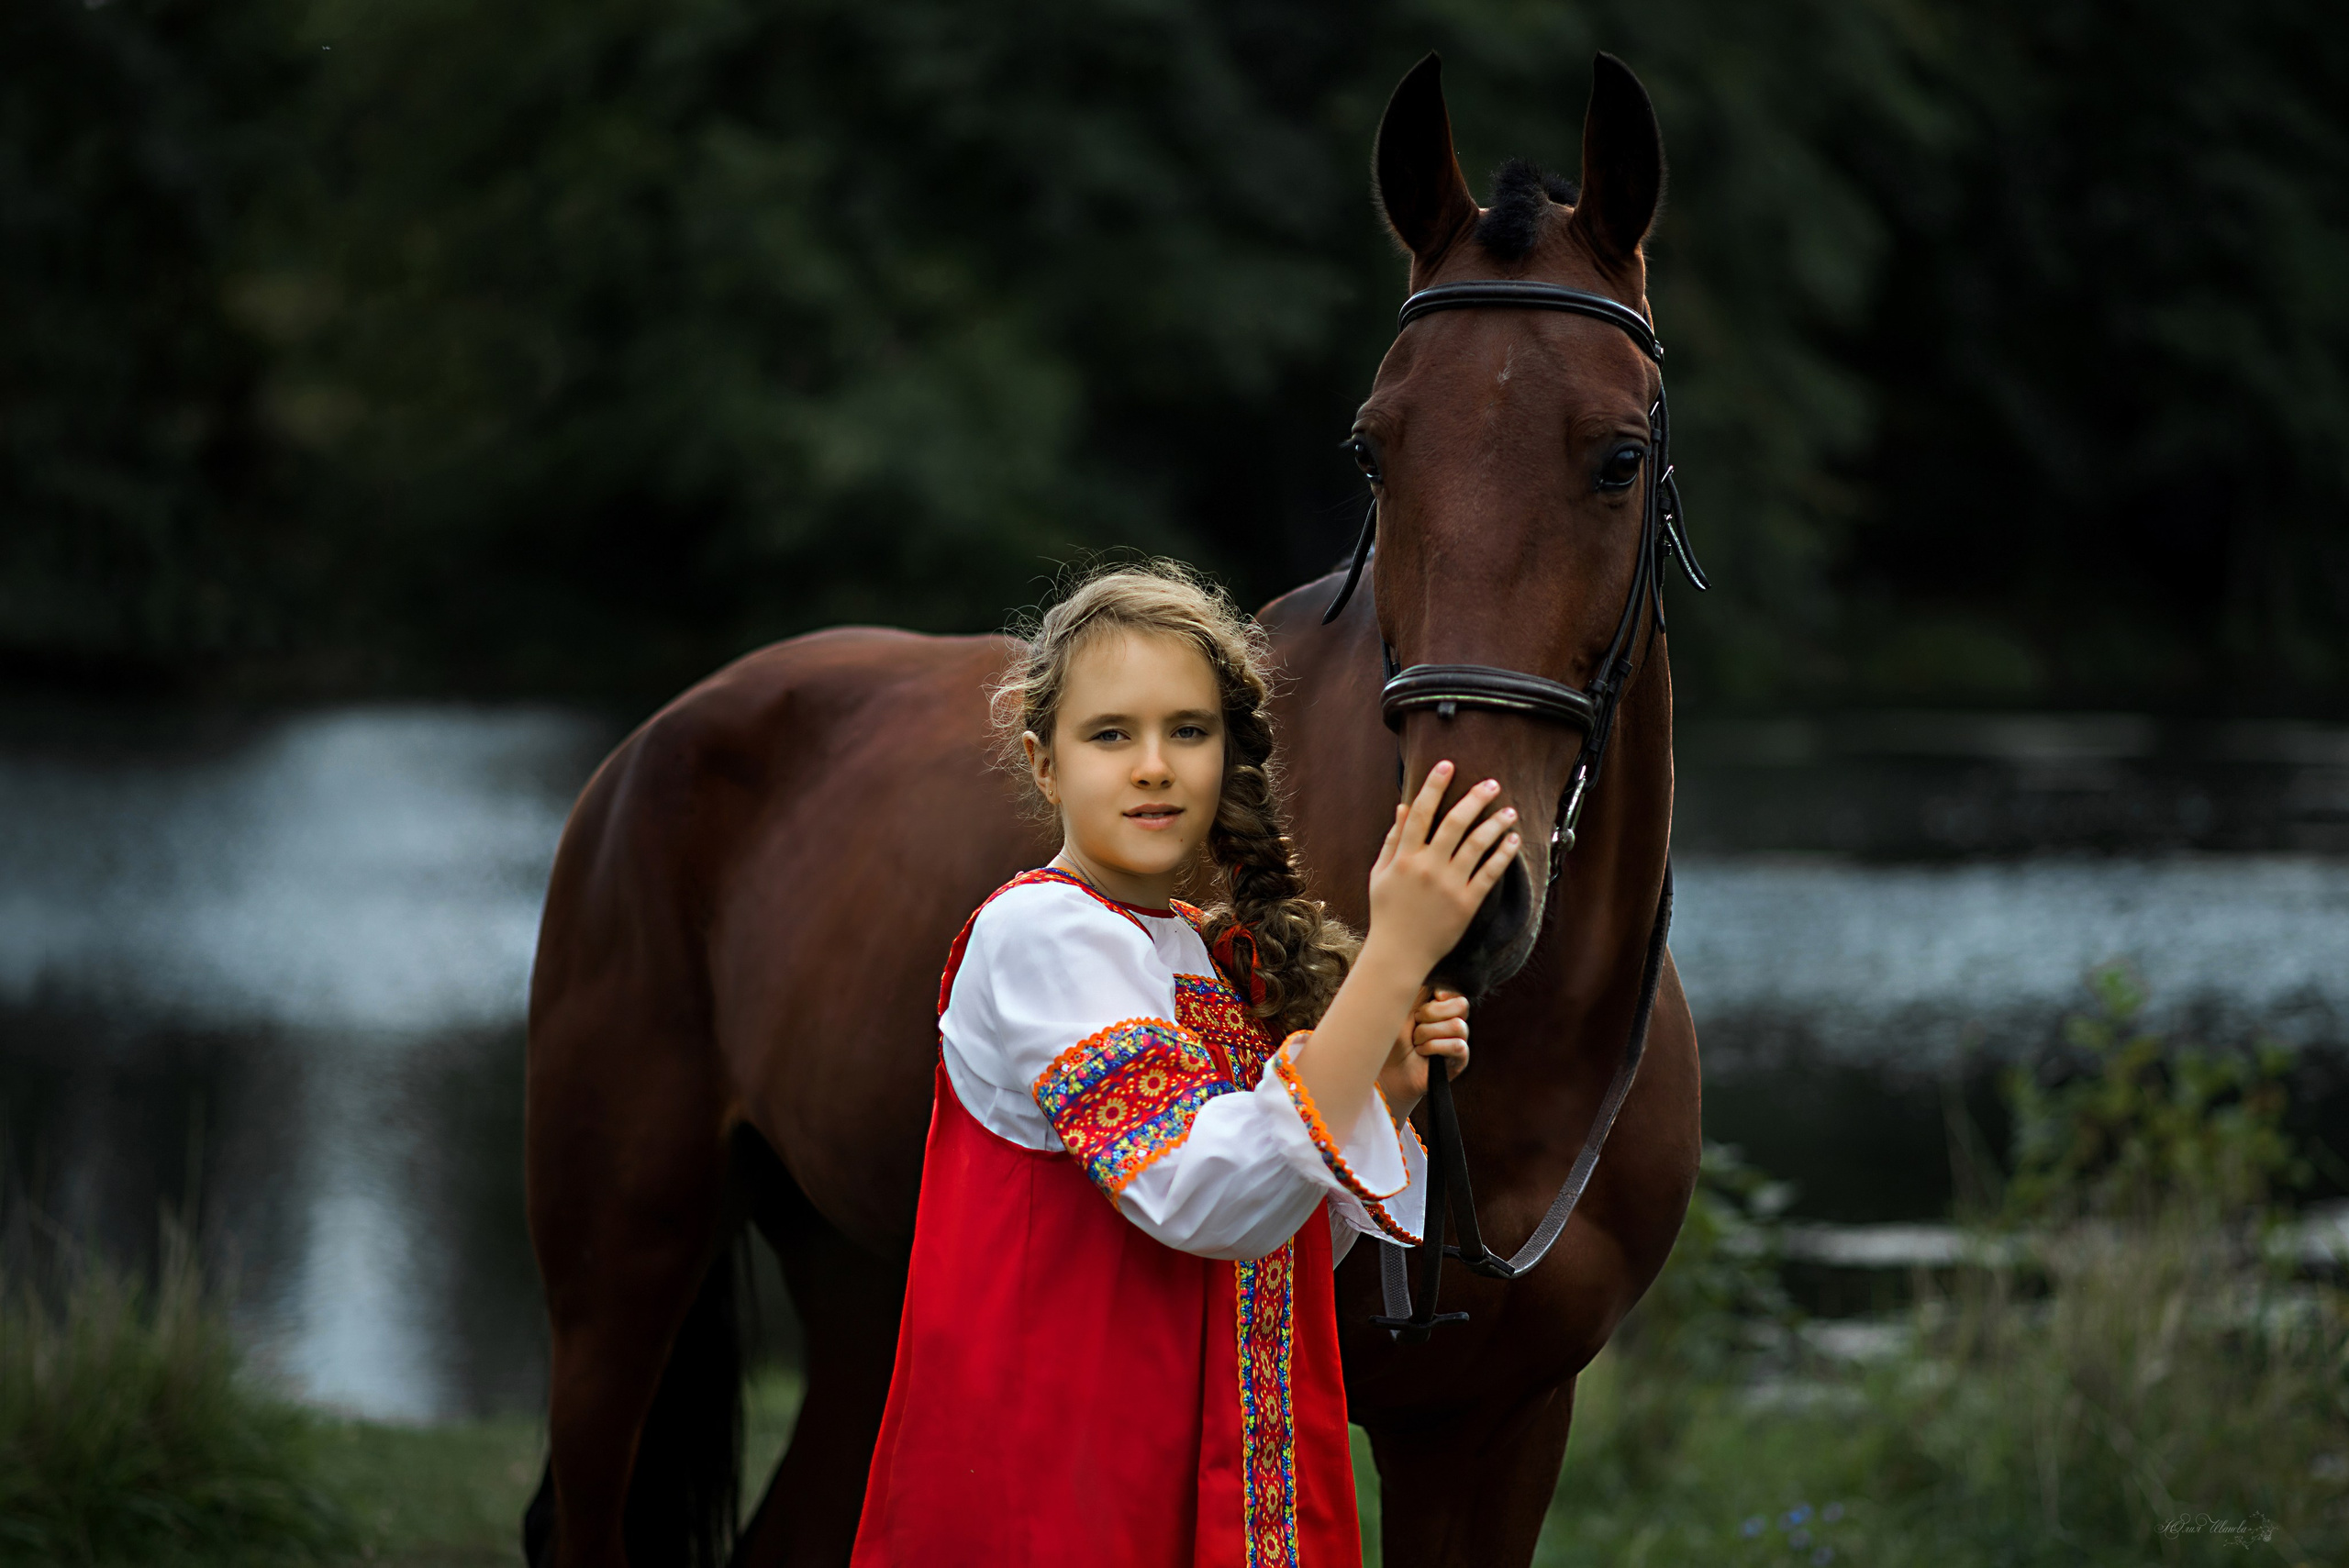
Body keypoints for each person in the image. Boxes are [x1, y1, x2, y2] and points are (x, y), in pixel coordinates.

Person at [852, 562, 1520, 1568]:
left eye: (1189, 731)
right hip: (1069, 1489)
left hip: (1213, 1473)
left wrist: (1380, 1086)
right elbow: (1202, 1196)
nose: (1154, 765)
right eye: (1110, 734)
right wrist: (1391, 956)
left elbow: (1269, 1239)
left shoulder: (1208, 955)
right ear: (1044, 762)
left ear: (1227, 757)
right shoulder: (1041, 933)